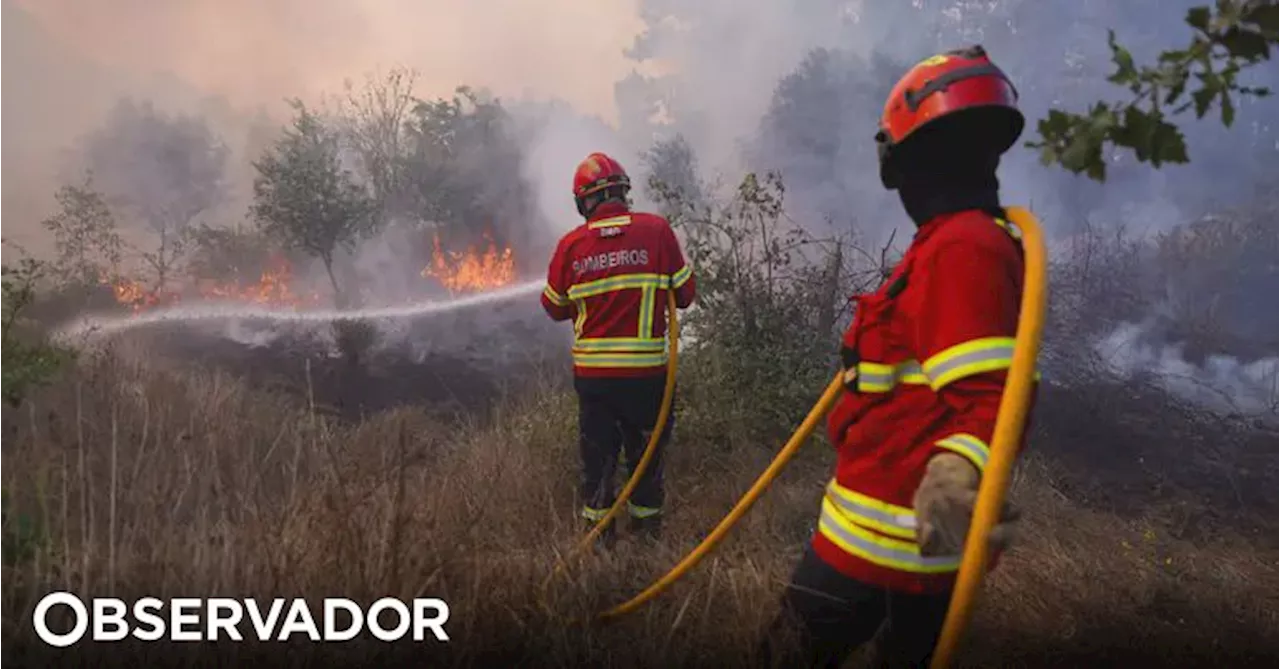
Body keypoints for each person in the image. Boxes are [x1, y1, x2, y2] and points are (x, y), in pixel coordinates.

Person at [757, 45, 1040, 668]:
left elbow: (994, 395)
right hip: (890, 538)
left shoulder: (962, 248)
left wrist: (957, 476)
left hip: (880, 547)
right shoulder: (952, 243)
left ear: (906, 161)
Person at [540, 152, 696, 548]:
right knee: (646, 462)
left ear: (584, 201)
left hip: (594, 382)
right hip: (648, 378)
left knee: (598, 463)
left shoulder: (571, 245)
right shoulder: (657, 231)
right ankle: (646, 542)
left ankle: (599, 543)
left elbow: (554, 308)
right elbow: (686, 296)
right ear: (623, 192)